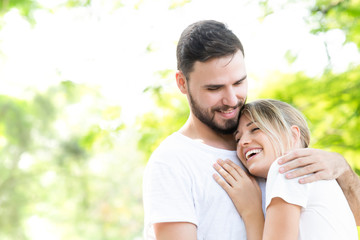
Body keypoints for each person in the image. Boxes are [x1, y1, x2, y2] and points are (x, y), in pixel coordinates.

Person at [142, 20, 360, 240]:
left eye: (238, 83)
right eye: (214, 88)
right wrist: (252, 212)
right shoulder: (172, 161)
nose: (231, 99)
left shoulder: (273, 145)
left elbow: (354, 218)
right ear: (182, 83)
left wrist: (342, 168)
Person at [213, 99, 358, 239]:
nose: (243, 142)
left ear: (293, 135)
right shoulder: (321, 178)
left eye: (255, 129)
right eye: (237, 139)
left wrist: (251, 212)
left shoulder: (288, 167)